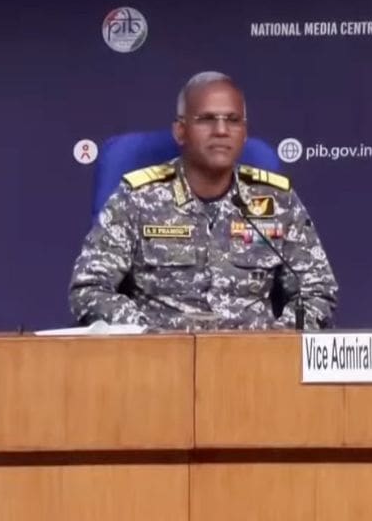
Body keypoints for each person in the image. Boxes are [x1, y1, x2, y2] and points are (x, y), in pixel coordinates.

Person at [68, 71, 338, 330]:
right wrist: (147, 336)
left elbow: (317, 291)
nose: (221, 130)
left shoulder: (277, 201)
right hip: (159, 363)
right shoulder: (137, 197)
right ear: (180, 131)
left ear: (244, 133)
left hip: (253, 364)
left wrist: (275, 341)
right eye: (207, 119)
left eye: (233, 120)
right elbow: (90, 289)